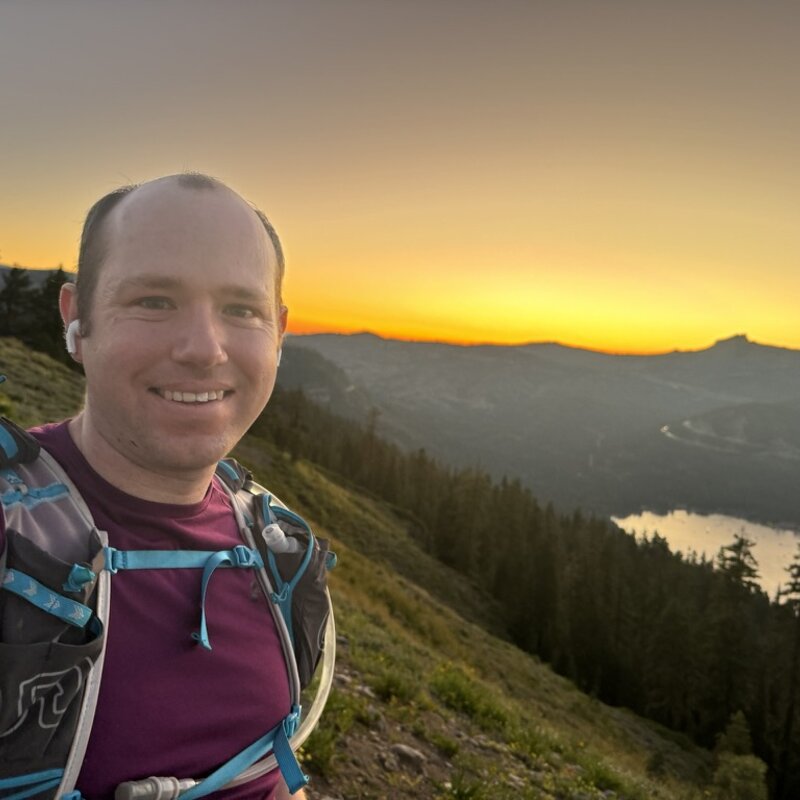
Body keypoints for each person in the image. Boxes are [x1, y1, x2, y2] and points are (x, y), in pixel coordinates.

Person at [0, 173, 307, 800]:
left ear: (278, 333)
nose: (203, 349)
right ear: (77, 318)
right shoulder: (12, 529)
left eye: (241, 310)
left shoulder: (276, 548)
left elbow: (273, 773)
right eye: (155, 301)